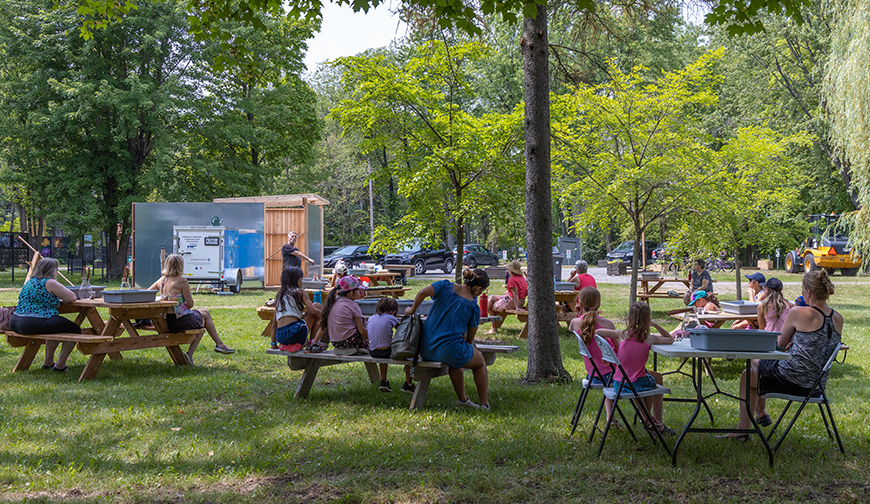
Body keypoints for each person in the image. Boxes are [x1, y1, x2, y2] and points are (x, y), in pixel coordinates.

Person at [724, 270, 842, 440]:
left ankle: (744, 429)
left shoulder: (799, 312)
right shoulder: (838, 318)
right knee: (747, 376)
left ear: (808, 293)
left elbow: (779, 344)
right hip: (817, 386)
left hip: (791, 379)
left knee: (751, 360)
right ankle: (748, 424)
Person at [406, 268, 491, 410]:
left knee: (455, 361)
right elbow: (469, 339)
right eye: (483, 290)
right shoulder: (472, 307)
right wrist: (466, 347)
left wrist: (412, 309)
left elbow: (422, 292)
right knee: (480, 362)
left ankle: (463, 400)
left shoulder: (444, 286)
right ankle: (484, 404)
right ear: (477, 288)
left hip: (426, 348)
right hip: (449, 350)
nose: (482, 293)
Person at [596, 302, 676, 435]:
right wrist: (655, 324)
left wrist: (605, 351)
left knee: (646, 379)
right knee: (650, 382)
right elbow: (670, 339)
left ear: (630, 318)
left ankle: (648, 419)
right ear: (647, 319)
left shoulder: (623, 334)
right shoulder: (648, 338)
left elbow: (598, 332)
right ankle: (651, 420)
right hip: (634, 384)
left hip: (618, 383)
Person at [148, 254, 234, 365]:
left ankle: (217, 345)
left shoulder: (161, 280)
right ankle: (212, 346)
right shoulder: (182, 281)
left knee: (204, 314)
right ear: (180, 266)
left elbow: (147, 293)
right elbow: (190, 304)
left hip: (166, 320)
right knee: (204, 318)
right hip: (179, 320)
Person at [10, 258, 80, 372]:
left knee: (55, 326)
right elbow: (72, 297)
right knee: (74, 329)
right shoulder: (49, 282)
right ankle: (60, 365)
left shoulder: (30, 282)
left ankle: (48, 362)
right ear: (52, 270)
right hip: (32, 322)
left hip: (15, 321)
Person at [568, 287, 619, 425]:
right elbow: (618, 350)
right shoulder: (607, 324)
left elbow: (570, 328)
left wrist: (579, 313)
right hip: (611, 375)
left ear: (580, 303)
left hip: (592, 375)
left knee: (609, 375)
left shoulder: (575, 323)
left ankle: (611, 419)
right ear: (599, 304)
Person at [751, 276, 792, 425]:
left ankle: (760, 411)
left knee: (755, 371)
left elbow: (762, 330)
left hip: (770, 346)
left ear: (766, 289)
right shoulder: (790, 305)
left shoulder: (762, 306)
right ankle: (760, 413)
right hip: (786, 346)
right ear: (781, 290)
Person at [311, 276, 368, 355]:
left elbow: (323, 326)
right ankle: (363, 345)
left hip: (336, 343)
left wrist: (315, 342)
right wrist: (370, 336)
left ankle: (346, 349)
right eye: (357, 290)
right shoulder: (353, 305)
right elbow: (362, 331)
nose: (358, 293)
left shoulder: (332, 303)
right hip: (350, 342)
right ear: (351, 292)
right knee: (362, 319)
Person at [367, 297, 414, 394]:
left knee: (382, 350)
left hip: (373, 352)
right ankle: (408, 384)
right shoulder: (391, 317)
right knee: (407, 353)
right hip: (386, 352)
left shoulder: (371, 317)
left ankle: (383, 381)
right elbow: (401, 332)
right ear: (393, 311)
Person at [272, 266, 321, 353]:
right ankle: (312, 343)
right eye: (301, 279)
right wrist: (327, 316)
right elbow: (313, 311)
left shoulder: (280, 296)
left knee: (298, 320)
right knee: (317, 306)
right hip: (295, 334)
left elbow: (274, 324)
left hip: (281, 336)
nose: (302, 282)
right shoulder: (300, 292)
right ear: (296, 280)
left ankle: (287, 344)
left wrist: (273, 344)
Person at [486, 260, 527, 335]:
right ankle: (482, 316)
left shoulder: (512, 279)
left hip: (512, 302)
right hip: (518, 300)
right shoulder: (522, 278)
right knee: (491, 297)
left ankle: (493, 328)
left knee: (491, 307)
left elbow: (515, 293)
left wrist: (517, 306)